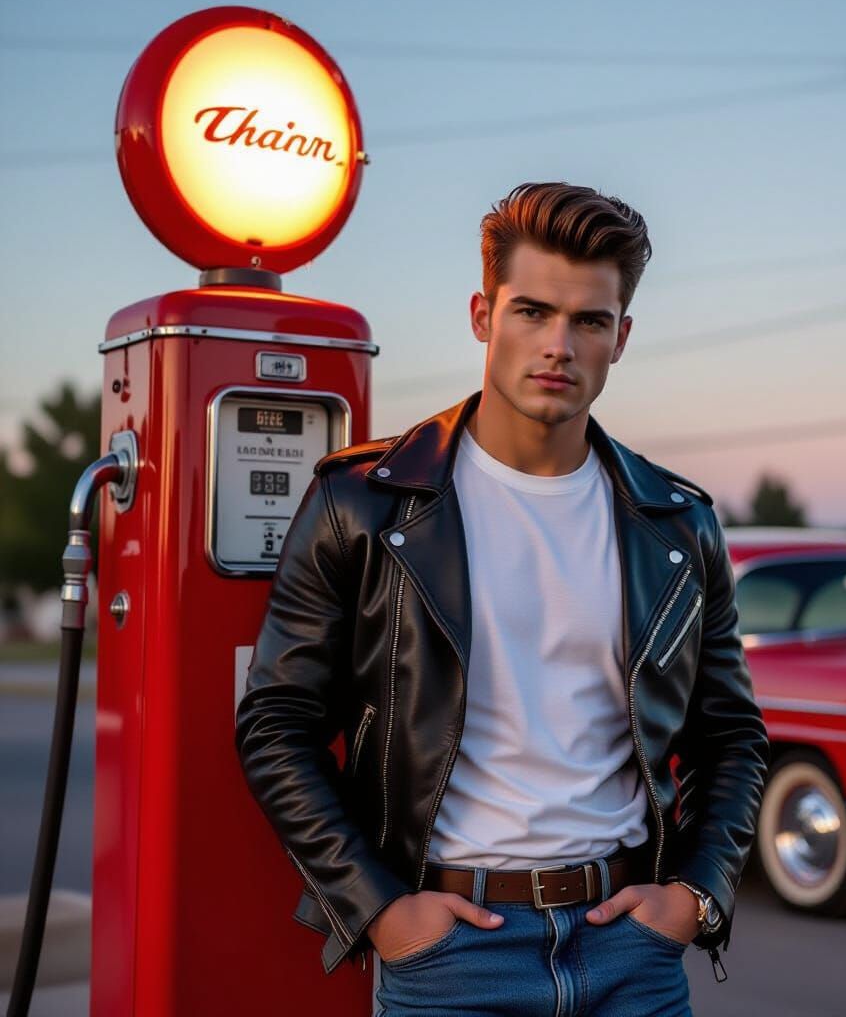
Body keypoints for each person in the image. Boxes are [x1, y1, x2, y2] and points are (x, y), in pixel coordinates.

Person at [235, 181, 770, 1016]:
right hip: (453, 957)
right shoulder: (365, 505)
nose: (558, 345)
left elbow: (730, 737)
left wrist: (695, 898)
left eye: (589, 321)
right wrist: (381, 910)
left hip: (633, 953)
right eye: (532, 312)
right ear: (484, 314)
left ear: (620, 337)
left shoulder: (677, 524)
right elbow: (276, 724)